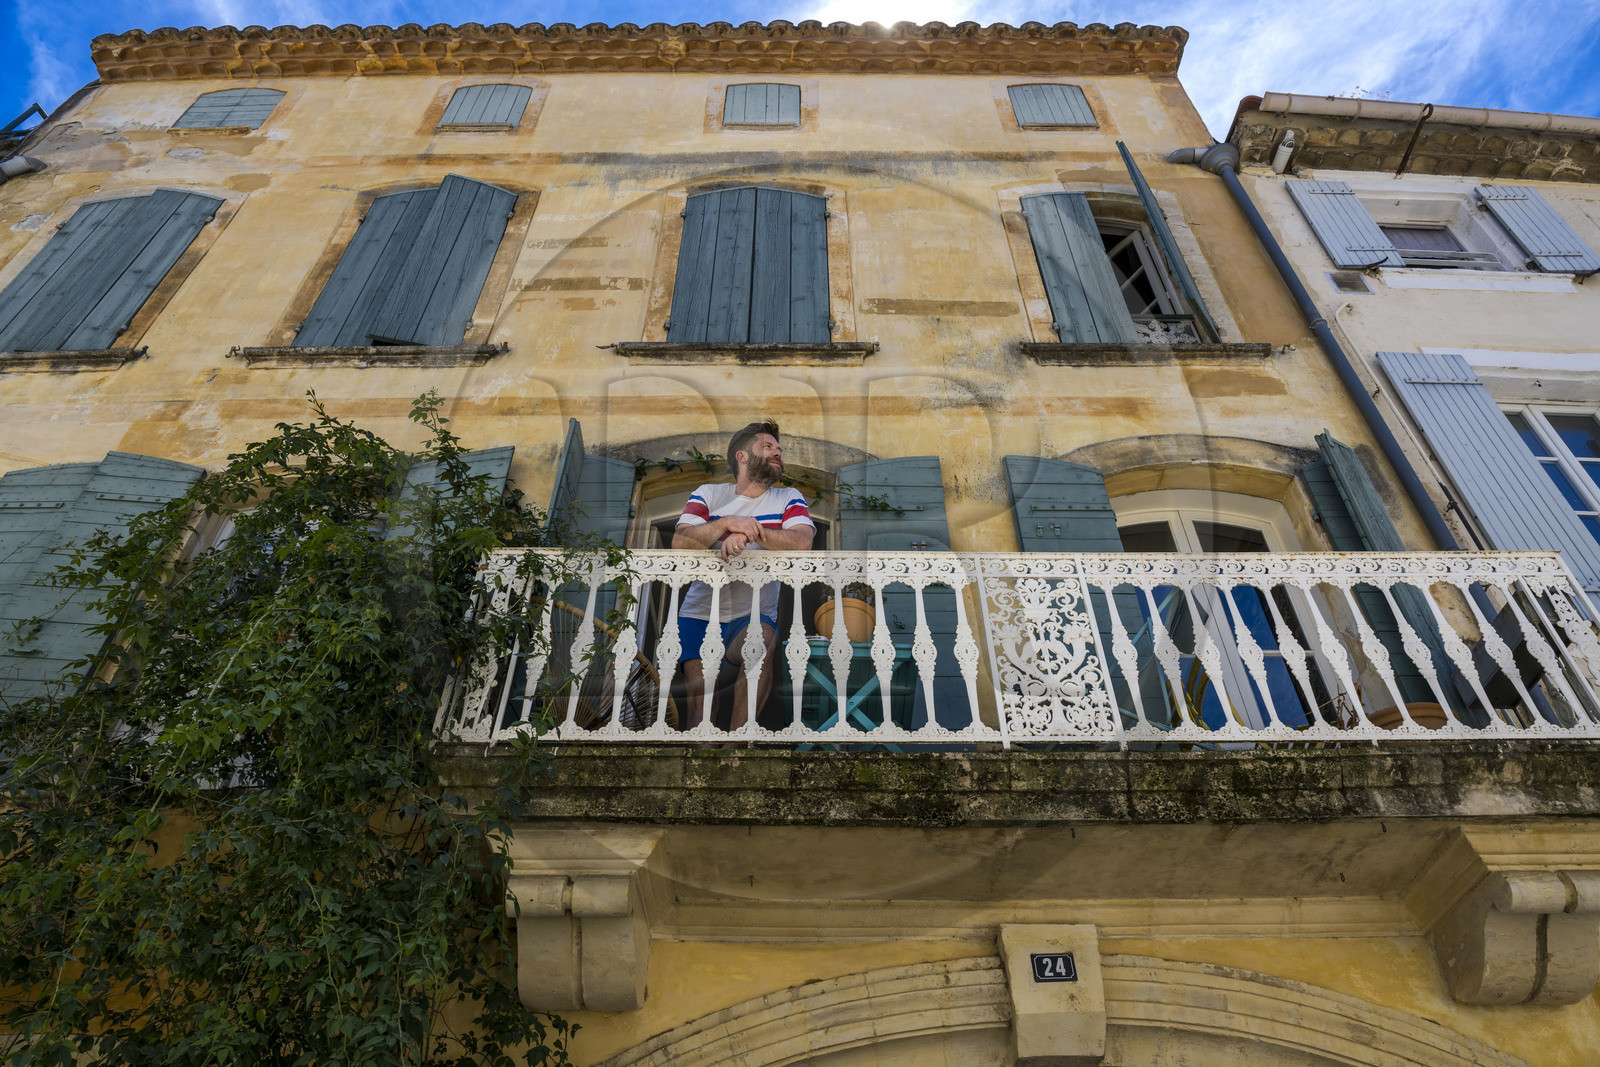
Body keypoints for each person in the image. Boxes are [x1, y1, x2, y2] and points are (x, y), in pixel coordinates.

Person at [672, 421, 814, 734]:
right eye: (768, 447)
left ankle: (736, 746)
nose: (777, 452)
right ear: (743, 456)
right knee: (700, 706)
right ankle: (702, 761)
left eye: (779, 449)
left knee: (761, 645)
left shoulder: (788, 498)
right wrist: (727, 523)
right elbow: (681, 540)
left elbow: (802, 542)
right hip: (698, 614)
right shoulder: (709, 494)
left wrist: (750, 532)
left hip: (753, 616)